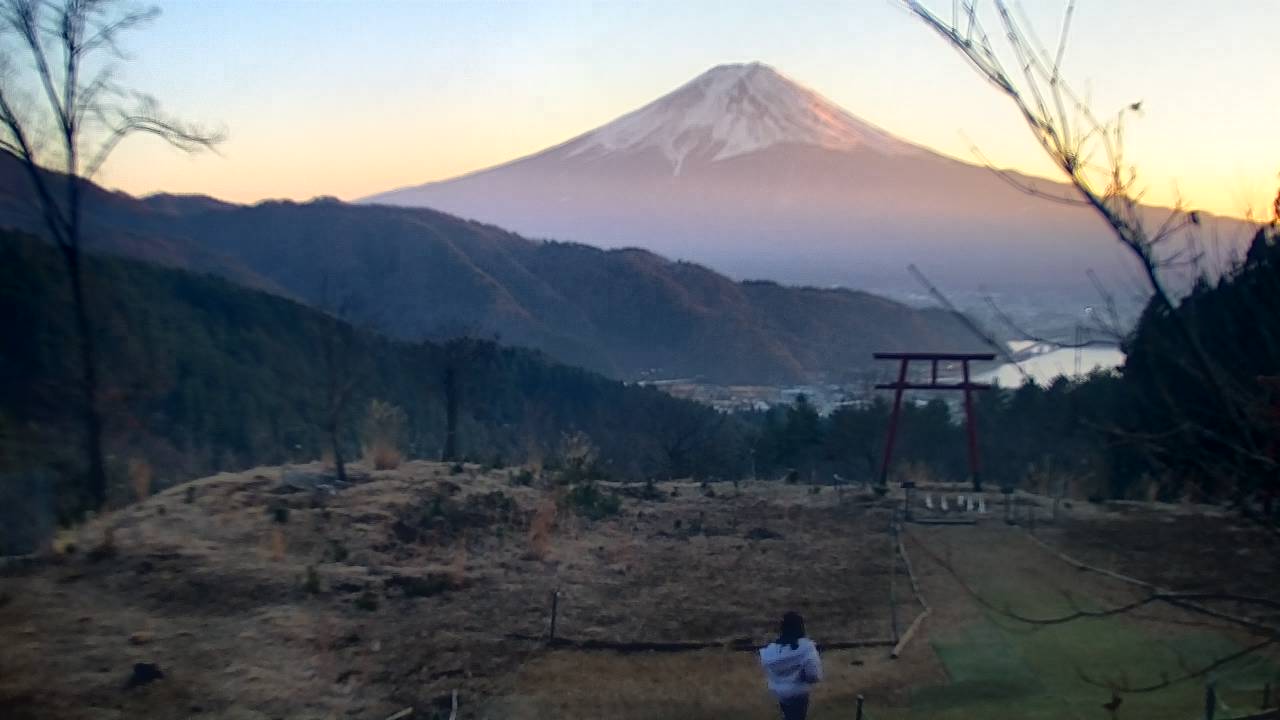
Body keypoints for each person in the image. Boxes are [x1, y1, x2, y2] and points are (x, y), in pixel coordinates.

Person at [759, 611, 823, 720]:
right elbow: (813, 674)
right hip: (799, 692)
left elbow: (768, 670)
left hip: (779, 692)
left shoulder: (772, 651)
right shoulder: (806, 649)